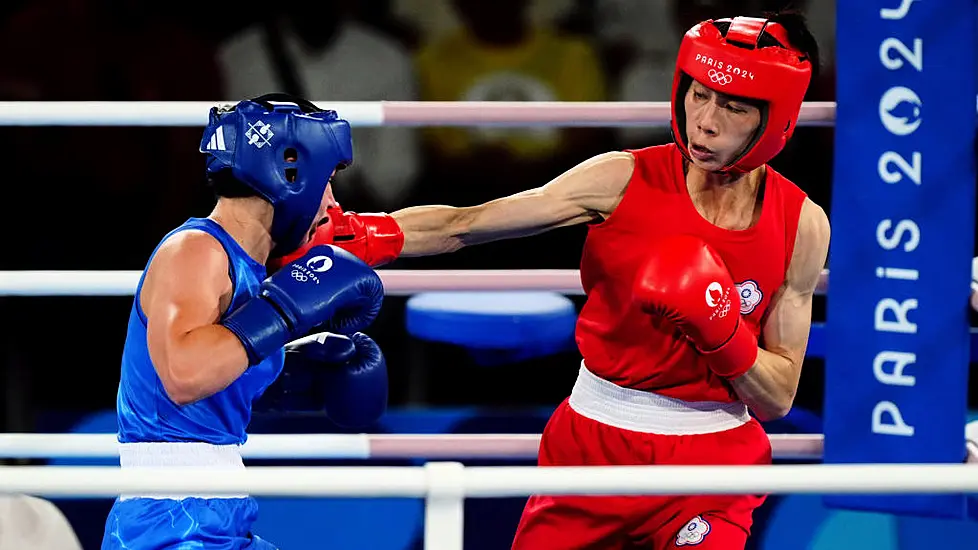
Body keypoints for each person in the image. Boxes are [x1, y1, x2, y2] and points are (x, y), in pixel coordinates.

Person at [277, 12, 830, 549]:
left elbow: (778, 395)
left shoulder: (799, 225)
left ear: (774, 118)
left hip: (713, 463)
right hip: (596, 442)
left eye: (732, 106)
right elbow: (468, 224)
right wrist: (357, 235)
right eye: (698, 94)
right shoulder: (621, 178)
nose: (705, 120)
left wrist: (720, 331)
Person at [101, 93, 389, 550]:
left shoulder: (248, 271)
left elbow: (213, 376)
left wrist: (297, 374)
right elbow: (183, 374)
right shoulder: (195, 250)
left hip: (217, 510)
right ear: (293, 174)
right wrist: (284, 311)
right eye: (328, 182)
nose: (332, 204)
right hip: (170, 520)